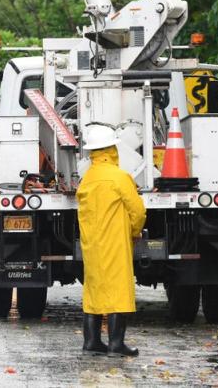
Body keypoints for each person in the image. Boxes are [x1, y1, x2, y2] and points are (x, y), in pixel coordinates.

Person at [76, 124, 146, 357]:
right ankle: (116, 344)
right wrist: (134, 232)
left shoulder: (87, 180)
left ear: (92, 152)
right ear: (112, 149)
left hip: (92, 244)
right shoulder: (119, 177)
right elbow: (138, 211)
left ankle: (92, 341)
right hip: (114, 241)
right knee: (118, 288)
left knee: (94, 288)